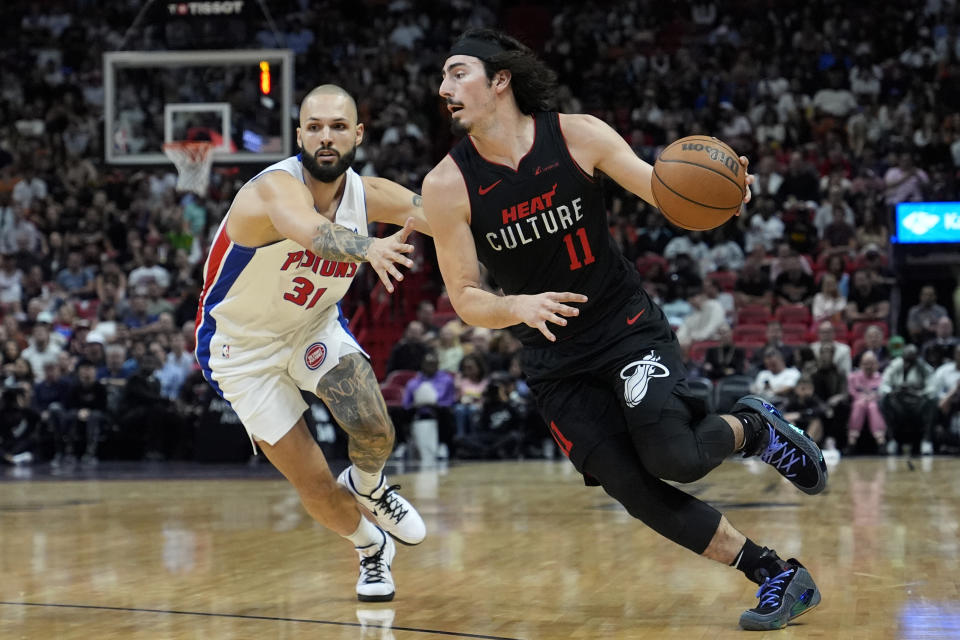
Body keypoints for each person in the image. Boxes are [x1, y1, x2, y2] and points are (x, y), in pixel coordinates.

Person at [420, 29, 826, 630]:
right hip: (554, 361)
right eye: (443, 77)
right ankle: (776, 574)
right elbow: (464, 297)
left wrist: (730, 191)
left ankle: (752, 429)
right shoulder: (446, 185)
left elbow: (665, 191)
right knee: (633, 489)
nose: (444, 87)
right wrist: (518, 308)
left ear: (499, 79)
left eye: (458, 73)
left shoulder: (576, 135)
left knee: (675, 457)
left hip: (625, 329)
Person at [194, 85, 427, 602]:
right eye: (315, 126)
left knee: (373, 425)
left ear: (358, 135)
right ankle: (371, 549)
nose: (326, 136)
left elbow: (446, 217)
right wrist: (370, 246)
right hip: (241, 350)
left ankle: (369, 484)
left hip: (310, 325)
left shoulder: (371, 195)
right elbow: (311, 231)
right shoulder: (273, 189)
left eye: (339, 127)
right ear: (299, 134)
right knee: (316, 484)